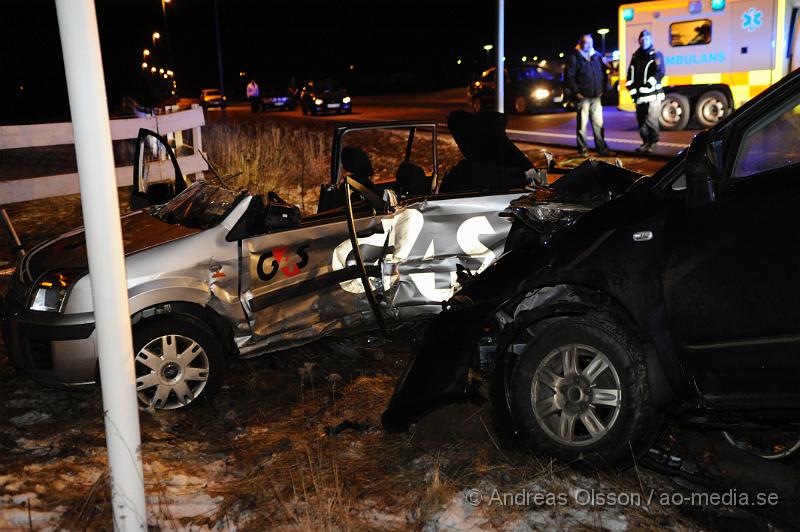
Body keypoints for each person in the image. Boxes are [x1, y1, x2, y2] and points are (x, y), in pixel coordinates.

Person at [565, 34, 613, 157]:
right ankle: (583, 150)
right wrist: (577, 92)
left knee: (599, 124)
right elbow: (569, 77)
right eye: (587, 43)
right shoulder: (574, 58)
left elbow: (604, 73)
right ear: (580, 43)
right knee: (582, 125)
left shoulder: (597, 56)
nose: (590, 45)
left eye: (591, 42)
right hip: (583, 97)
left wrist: (603, 89)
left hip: (596, 96)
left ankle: (601, 149)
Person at [626, 29, 665, 153]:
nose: (644, 41)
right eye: (642, 39)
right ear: (639, 40)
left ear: (651, 40)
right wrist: (633, 92)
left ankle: (653, 143)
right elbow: (630, 75)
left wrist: (647, 86)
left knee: (651, 120)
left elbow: (659, 72)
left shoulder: (656, 55)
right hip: (640, 97)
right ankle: (645, 143)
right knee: (641, 122)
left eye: (647, 39)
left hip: (653, 96)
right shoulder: (635, 56)